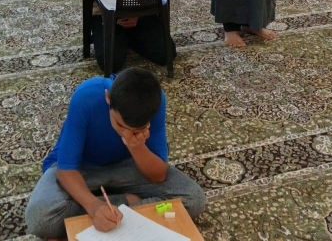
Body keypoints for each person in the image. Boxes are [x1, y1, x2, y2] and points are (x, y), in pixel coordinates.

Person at [24, 68, 205, 239]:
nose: (126, 133)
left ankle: (105, 207)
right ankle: (126, 203)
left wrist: (136, 146)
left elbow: (158, 176)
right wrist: (94, 206)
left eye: (136, 130)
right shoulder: (87, 96)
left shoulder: (154, 102)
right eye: (120, 125)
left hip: (127, 166)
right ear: (108, 98)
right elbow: (66, 170)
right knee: (40, 219)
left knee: (193, 198)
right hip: (82, 169)